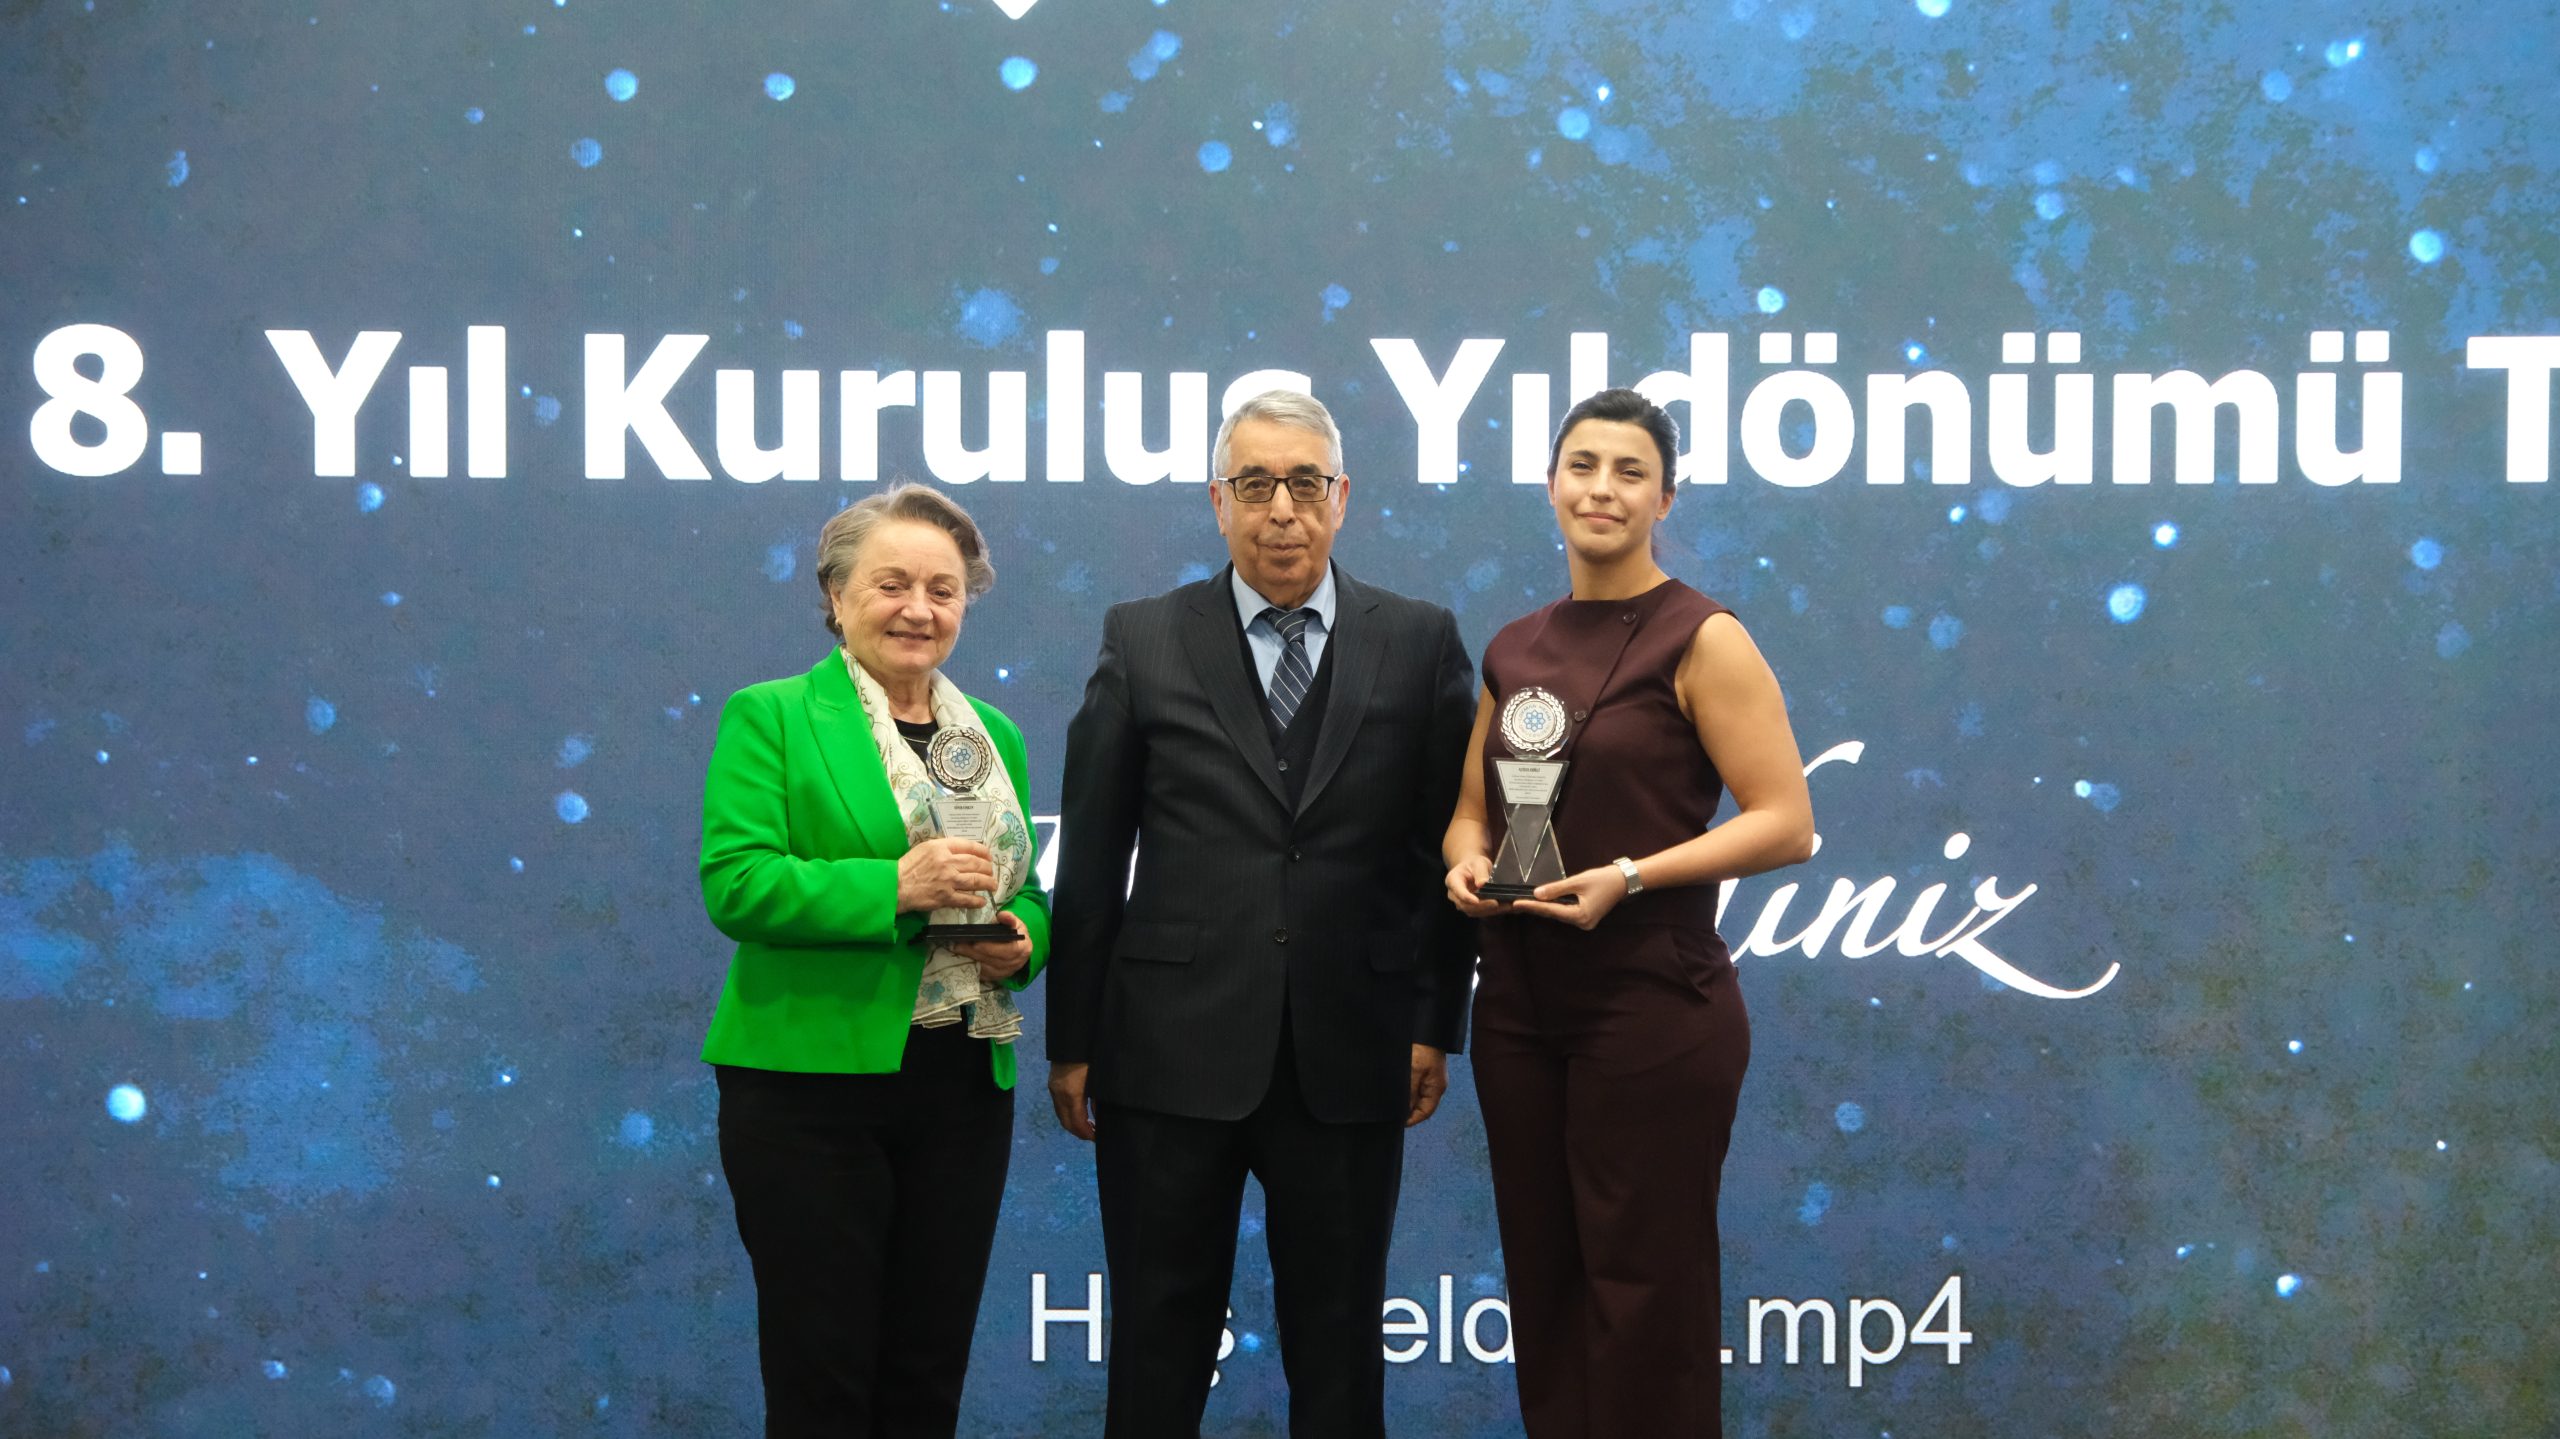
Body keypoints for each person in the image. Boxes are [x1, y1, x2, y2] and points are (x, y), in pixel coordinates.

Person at [1047, 389, 1477, 1438]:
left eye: (1304, 483)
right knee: (1156, 1345)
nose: (1281, 508)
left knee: (1339, 1351)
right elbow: (1093, 855)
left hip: (1351, 1047)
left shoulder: (1419, 640)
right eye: (1254, 483)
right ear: (1218, 499)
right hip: (1165, 1050)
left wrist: (1435, 1019)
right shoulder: (1143, 636)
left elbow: (1450, 844)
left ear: (1342, 496)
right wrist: (1074, 1038)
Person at [1442, 388, 1816, 1438]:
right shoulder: (1514, 646)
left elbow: (1787, 822)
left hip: (1652, 999)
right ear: (1550, 483)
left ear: (1665, 498)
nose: (1601, 489)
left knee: (1648, 1295)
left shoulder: (1703, 635)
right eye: (1583, 465)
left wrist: (1631, 875)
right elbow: (1469, 811)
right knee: (1546, 1285)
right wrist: (1465, 863)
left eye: (1629, 472)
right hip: (1518, 1006)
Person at [698, 483, 1049, 1438]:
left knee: (927, 1376)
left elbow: (1024, 890)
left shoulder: (997, 735)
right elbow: (737, 882)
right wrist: (894, 886)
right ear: (836, 594)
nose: (919, 609)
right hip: (806, 1089)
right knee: (823, 1380)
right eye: (892, 584)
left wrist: (1025, 941)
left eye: (943, 589)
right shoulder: (772, 715)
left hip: (962, 1082)